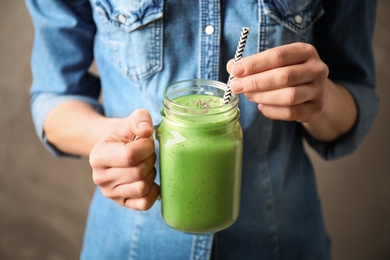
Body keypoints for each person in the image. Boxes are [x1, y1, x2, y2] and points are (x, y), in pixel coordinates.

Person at [26, 0, 379, 259]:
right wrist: (111, 142)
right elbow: (55, 95)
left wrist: (319, 100)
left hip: (277, 242)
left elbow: (353, 100)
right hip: (130, 247)